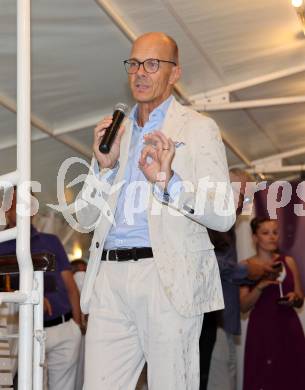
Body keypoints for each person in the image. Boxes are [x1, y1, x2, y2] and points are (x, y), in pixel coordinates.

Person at [77, 31, 236, 390]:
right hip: (108, 279)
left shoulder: (197, 129)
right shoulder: (114, 132)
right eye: (134, 63)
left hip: (166, 277)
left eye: (152, 64)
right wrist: (103, 167)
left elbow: (224, 213)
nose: (140, 72)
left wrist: (169, 182)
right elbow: (85, 219)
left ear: (175, 73)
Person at [200, 169, 279, 390]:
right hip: (213, 319)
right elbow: (208, 262)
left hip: (225, 321)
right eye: (242, 193)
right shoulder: (210, 221)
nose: (245, 201)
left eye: (249, 196)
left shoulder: (227, 224)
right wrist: (246, 269)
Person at [0, 189, 82, 390]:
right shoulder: (1, 245)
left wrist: (77, 326)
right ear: (6, 210)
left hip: (64, 328)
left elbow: (70, 285)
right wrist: (33, 298)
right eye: (13, 204)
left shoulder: (51, 241)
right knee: (31, 385)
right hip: (25, 331)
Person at [240, 217, 305, 390]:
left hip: (289, 327)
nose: (272, 237)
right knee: (263, 378)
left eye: (275, 232)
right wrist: (261, 285)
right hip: (262, 330)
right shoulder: (247, 266)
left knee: (293, 377)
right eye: (265, 233)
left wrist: (295, 298)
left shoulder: (288, 261)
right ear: (255, 238)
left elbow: (300, 298)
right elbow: (243, 306)